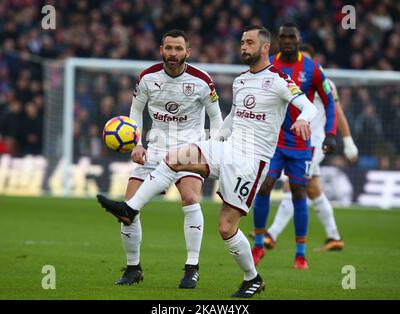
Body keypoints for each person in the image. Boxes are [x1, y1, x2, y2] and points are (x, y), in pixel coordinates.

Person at [96, 25, 317, 298]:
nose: (243, 47)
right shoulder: (241, 80)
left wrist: (304, 118)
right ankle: (130, 209)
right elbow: (233, 118)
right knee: (173, 158)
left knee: (226, 227)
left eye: (249, 42)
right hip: (226, 148)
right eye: (242, 41)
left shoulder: (279, 80)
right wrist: (215, 141)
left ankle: (252, 279)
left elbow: (309, 106)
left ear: (265, 48)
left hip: (251, 160)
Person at [107, 29, 223, 289]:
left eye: (178, 49)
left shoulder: (202, 80)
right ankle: (133, 268)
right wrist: (136, 144)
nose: (173, 54)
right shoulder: (148, 77)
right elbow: (136, 110)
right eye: (168, 48)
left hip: (189, 150)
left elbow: (216, 117)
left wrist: (212, 147)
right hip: (155, 150)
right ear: (161, 49)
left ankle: (192, 268)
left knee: (190, 198)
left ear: (187, 52)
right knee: (128, 210)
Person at [250, 23, 337, 269]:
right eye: (283, 37)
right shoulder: (268, 64)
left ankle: (300, 254)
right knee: (265, 186)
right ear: (278, 40)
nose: (287, 41)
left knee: (299, 192)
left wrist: (330, 134)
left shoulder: (313, 69)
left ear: (299, 39)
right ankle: (258, 244)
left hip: (301, 144)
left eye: (292, 37)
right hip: (272, 141)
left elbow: (329, 102)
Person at [258, 44, 359, 252]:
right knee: (313, 190)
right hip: (292, 141)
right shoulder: (285, 82)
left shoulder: (324, 82)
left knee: (293, 187)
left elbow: (337, 111)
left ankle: (271, 234)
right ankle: (334, 237)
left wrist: (348, 142)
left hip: (313, 144)